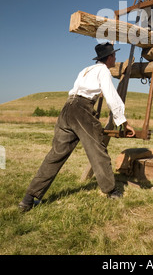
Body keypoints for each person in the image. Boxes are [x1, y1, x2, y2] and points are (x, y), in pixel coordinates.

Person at [18, 42, 135, 212]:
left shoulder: (85, 70)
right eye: (114, 56)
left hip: (67, 109)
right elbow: (111, 96)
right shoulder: (103, 71)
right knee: (97, 150)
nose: (115, 59)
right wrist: (123, 122)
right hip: (82, 109)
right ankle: (111, 191)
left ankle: (28, 199)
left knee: (55, 155)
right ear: (109, 58)